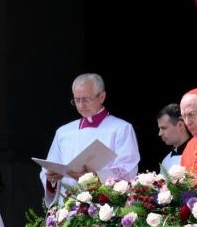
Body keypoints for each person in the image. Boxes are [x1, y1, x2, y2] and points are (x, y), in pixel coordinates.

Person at [40, 72, 140, 204]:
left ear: (102, 97)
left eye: (86, 99)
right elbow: (49, 169)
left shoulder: (121, 129)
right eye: (77, 100)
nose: (81, 106)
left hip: (103, 208)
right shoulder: (63, 132)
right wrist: (51, 178)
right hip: (66, 208)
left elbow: (128, 169)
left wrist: (94, 178)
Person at [155, 103, 191, 172]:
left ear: (180, 125)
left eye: (164, 128)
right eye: (159, 129)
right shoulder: (166, 161)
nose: (160, 133)